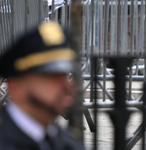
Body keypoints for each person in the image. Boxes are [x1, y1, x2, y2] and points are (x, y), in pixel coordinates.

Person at [0, 21, 85, 150]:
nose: (66, 84)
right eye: (51, 76)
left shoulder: (69, 142)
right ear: (17, 88)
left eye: (65, 74)